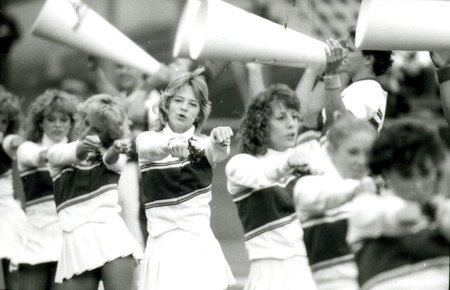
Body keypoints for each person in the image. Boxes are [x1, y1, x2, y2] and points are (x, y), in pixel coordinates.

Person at [136, 66, 235, 290]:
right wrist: (169, 145)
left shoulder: (204, 145)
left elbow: (218, 151)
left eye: (192, 104)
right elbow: (149, 148)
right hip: (161, 248)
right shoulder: (147, 139)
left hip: (199, 248)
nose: (183, 108)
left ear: (199, 113)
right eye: (179, 100)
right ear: (167, 104)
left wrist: (221, 138)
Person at [225, 84, 320, 290]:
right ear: (261, 123)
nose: (291, 124)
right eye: (281, 118)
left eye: (295, 117)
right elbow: (264, 175)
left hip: (307, 269)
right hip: (268, 273)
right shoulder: (241, 163)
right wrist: (288, 165)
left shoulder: (307, 159)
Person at [47, 94, 143, 290]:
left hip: (111, 237)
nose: (87, 131)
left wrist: (117, 149)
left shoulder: (115, 157)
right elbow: (71, 153)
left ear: (107, 135)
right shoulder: (58, 152)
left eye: (97, 129)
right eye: (86, 122)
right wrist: (83, 147)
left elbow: (112, 161)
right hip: (75, 242)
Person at [347, 121, 450, 290]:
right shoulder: (365, 205)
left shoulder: (444, 209)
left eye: (425, 172)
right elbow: (398, 215)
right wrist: (428, 211)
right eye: (405, 174)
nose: (418, 185)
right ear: (385, 174)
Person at [294, 116, 377, 290]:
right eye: (353, 152)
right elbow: (318, 196)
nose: (362, 161)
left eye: (368, 154)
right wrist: (355, 191)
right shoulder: (310, 185)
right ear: (331, 151)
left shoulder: (376, 191)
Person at [14, 90, 79, 290]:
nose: (58, 125)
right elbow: (39, 155)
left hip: (69, 236)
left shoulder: (78, 150)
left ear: (71, 123)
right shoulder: (27, 148)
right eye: (51, 119)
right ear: (41, 122)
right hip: (36, 235)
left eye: (63, 119)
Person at [313, 26, 393, 134]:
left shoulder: (369, 89)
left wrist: (331, 75)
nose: (344, 54)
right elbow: (310, 118)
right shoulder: (363, 87)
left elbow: (342, 124)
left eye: (350, 50)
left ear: (368, 59)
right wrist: (328, 73)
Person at [0, 91, 26, 289]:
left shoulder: (8, 143)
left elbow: (15, 143)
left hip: (7, 216)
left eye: (3, 122)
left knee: (14, 276)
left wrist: (20, 142)